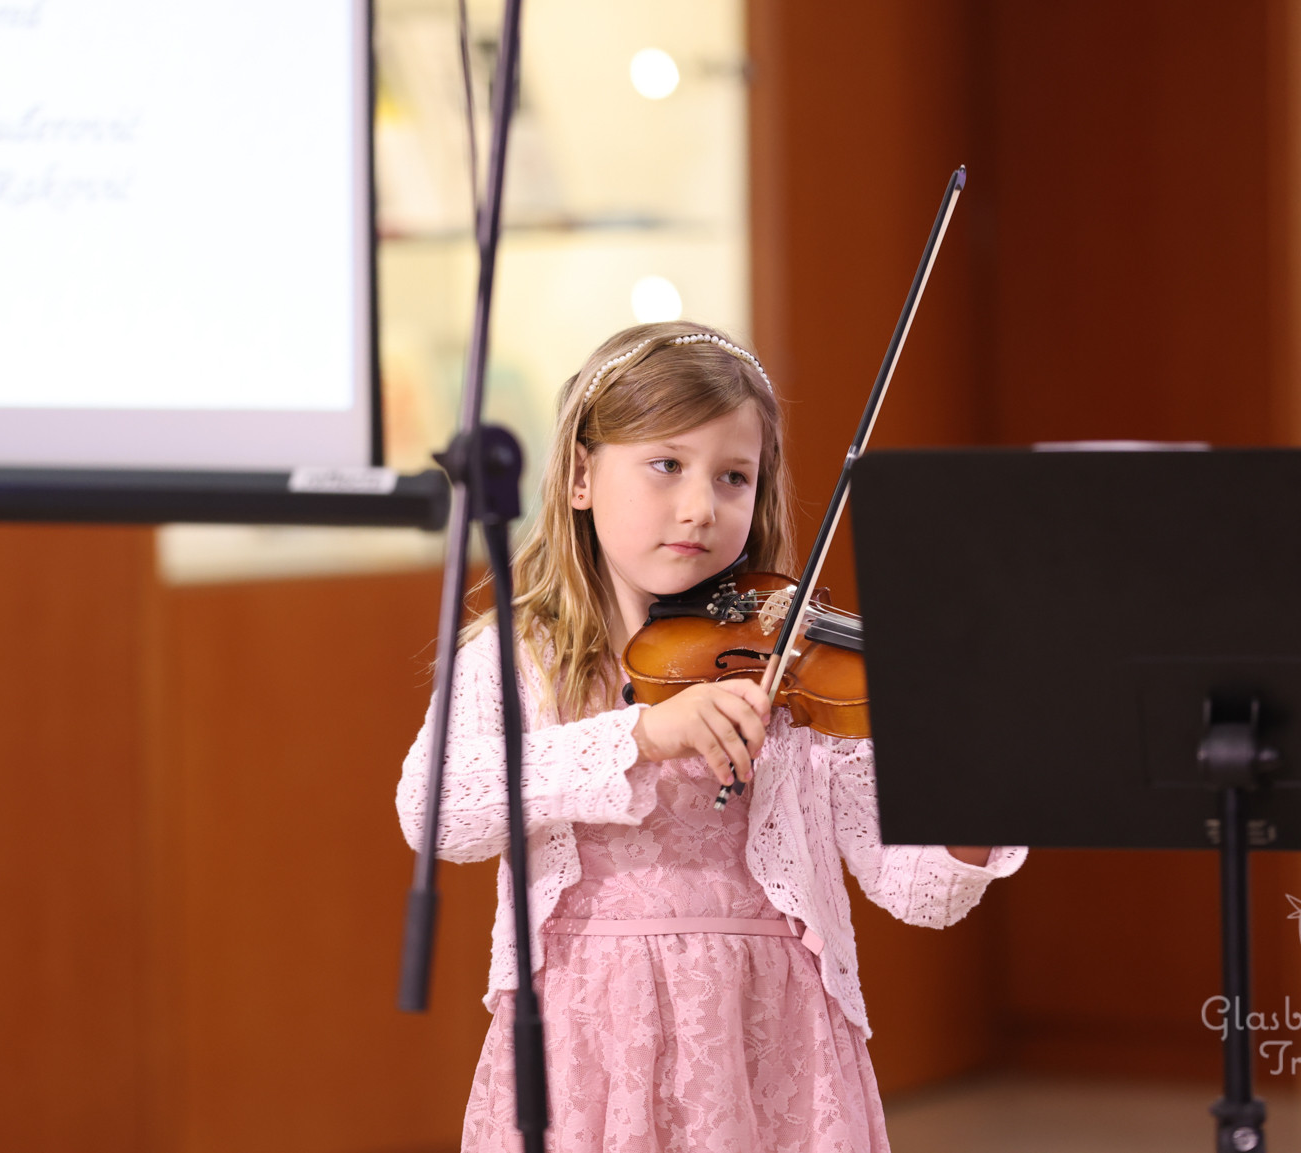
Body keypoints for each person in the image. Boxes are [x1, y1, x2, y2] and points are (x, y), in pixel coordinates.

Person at [396, 320, 1025, 1152]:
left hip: (776, 1045)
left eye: (734, 476)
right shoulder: (523, 657)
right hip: (589, 1047)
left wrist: (983, 772)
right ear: (581, 475)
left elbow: (915, 888)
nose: (700, 505)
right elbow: (438, 808)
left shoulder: (794, 670)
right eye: (667, 465)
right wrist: (640, 734)